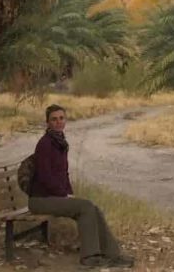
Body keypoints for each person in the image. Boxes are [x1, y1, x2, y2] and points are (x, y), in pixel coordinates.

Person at [26, 104, 135, 268]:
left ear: (65, 120)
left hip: (54, 196)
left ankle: (112, 254)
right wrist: (64, 194)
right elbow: (45, 177)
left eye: (61, 118)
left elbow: (64, 174)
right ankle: (89, 258)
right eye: (54, 119)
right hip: (40, 199)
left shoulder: (60, 142)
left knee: (93, 208)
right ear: (47, 122)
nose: (58, 122)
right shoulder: (45, 144)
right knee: (85, 207)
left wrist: (69, 193)